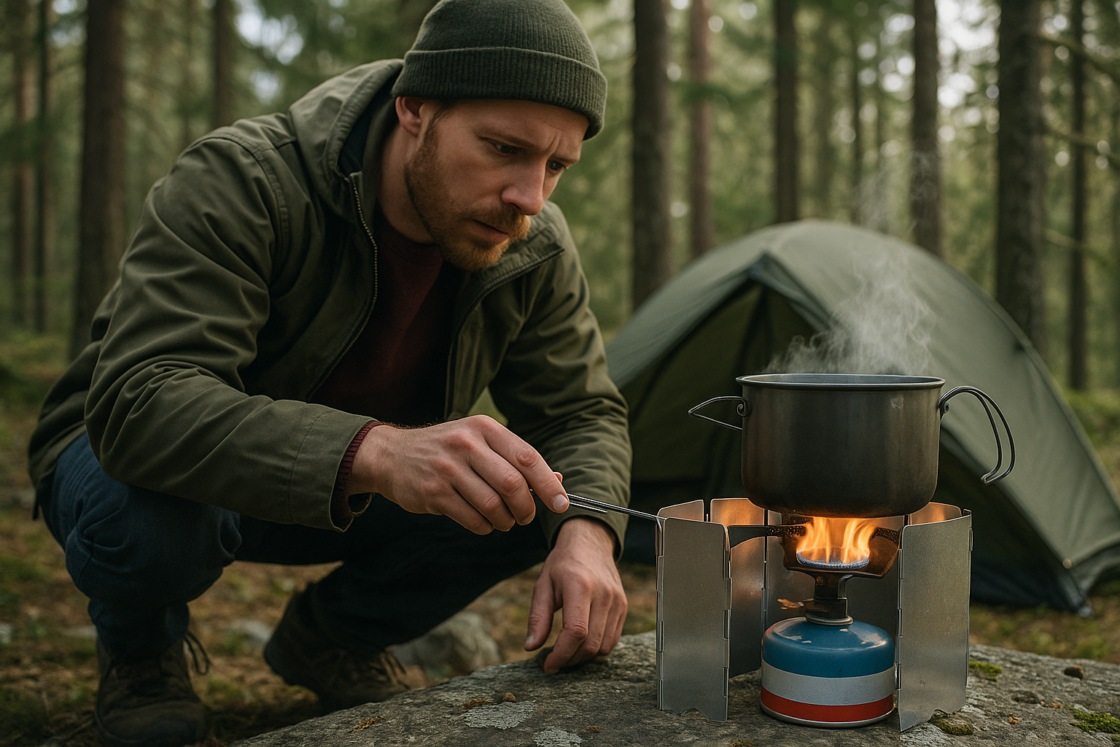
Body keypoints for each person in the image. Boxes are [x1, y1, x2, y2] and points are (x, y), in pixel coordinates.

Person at [26, 1, 632, 744]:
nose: (529, 197)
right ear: (414, 107)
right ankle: (141, 644)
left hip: (351, 495)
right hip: (138, 471)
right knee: (155, 515)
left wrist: (588, 533)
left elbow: (579, 414)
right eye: (503, 148)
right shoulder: (245, 179)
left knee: (543, 490)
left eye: (555, 165)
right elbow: (143, 402)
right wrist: (379, 451)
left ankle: (335, 634)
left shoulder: (533, 244)